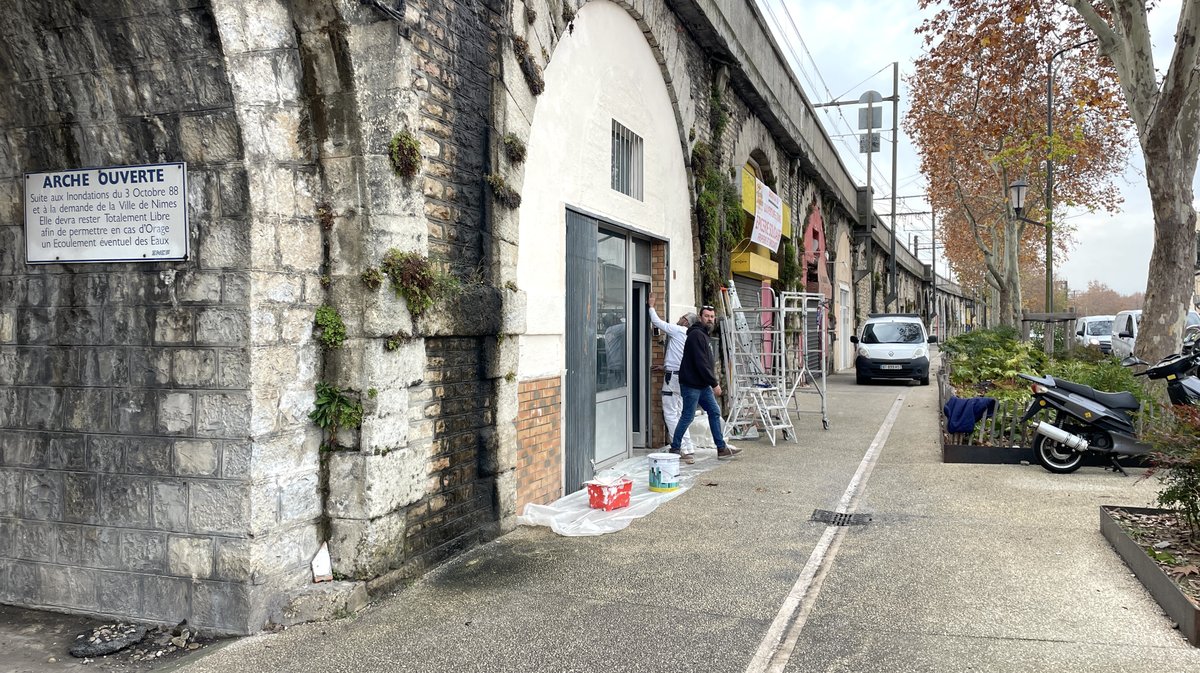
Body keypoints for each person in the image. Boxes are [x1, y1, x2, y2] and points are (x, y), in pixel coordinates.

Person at [671, 304, 741, 459]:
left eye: (712, 316)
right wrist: (714, 383)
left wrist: (709, 382)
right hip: (692, 384)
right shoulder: (696, 335)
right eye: (706, 316)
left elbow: (705, 362)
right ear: (700, 317)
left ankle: (721, 448)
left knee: (714, 412)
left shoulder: (704, 334)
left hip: (701, 384)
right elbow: (701, 363)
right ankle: (675, 448)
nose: (710, 319)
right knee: (688, 416)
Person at [648, 292, 696, 464]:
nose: (679, 319)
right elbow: (679, 357)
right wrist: (665, 366)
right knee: (681, 414)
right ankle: (688, 447)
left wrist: (651, 306)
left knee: (670, 413)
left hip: (672, 378)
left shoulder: (679, 330)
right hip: (682, 377)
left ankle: (681, 447)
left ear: (686, 321)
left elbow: (658, 323)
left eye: (682, 317)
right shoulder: (691, 336)